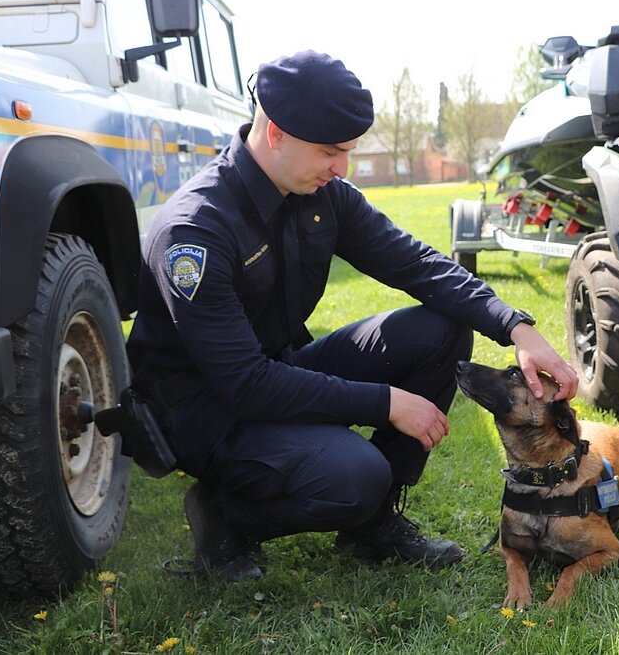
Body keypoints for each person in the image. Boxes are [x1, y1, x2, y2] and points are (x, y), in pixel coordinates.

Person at [126, 50, 579, 581]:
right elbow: (243, 383)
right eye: (329, 152)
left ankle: (370, 524)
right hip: (205, 408)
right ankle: (223, 515)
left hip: (276, 371)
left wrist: (516, 328)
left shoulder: (321, 196)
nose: (342, 168)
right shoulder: (197, 231)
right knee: (355, 475)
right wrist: (386, 403)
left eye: (348, 153)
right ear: (274, 133)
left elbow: (418, 264)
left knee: (439, 329)